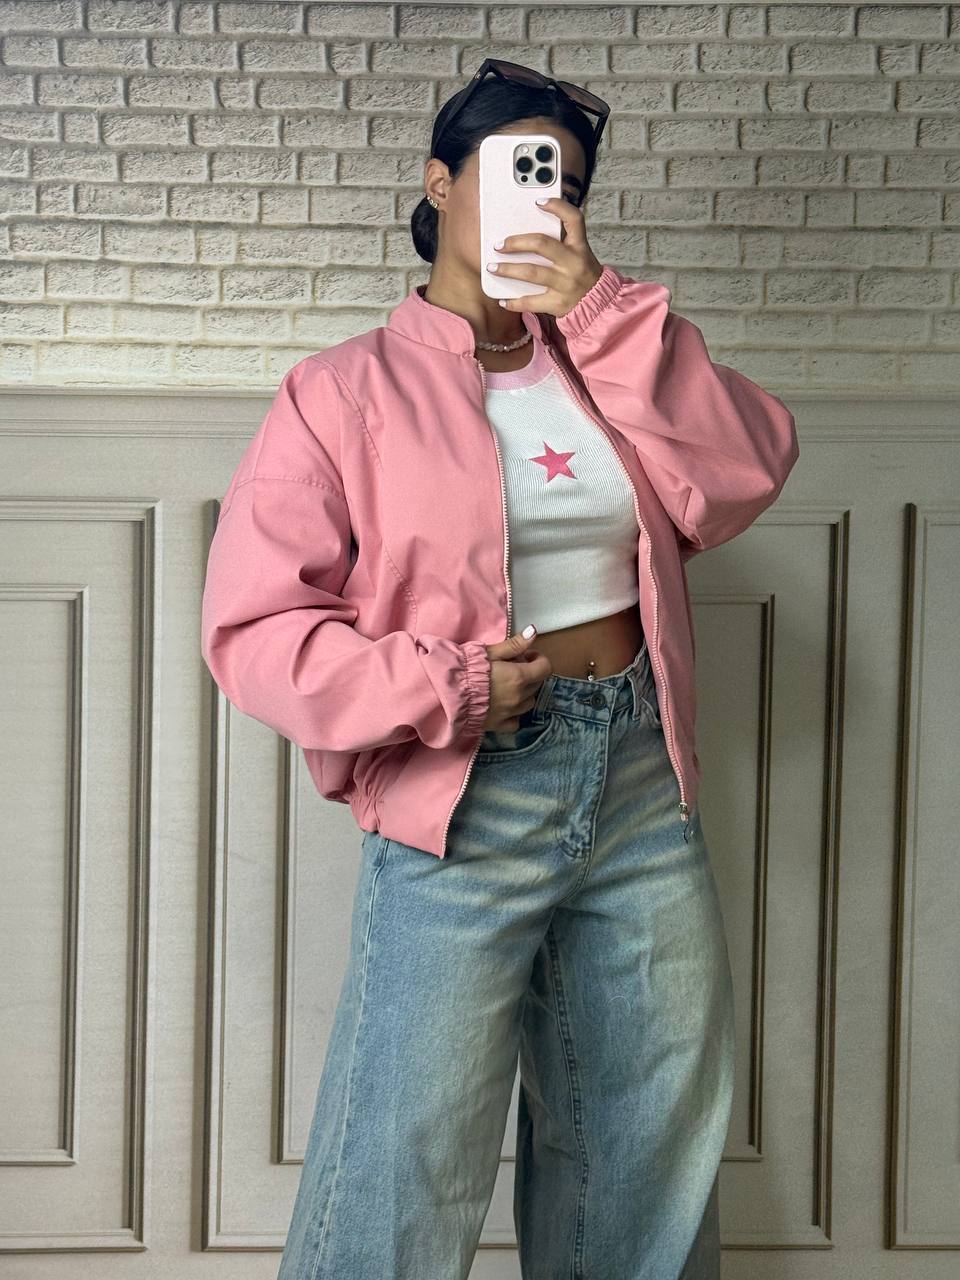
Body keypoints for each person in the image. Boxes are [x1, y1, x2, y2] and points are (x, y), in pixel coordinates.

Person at [201, 60, 799, 1280]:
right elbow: (254, 631)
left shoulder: (610, 360)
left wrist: (609, 313)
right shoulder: (341, 391)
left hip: (640, 779)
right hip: (466, 789)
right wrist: (452, 685)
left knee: (649, 1147)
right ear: (439, 183)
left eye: (565, 184)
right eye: (519, 171)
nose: (546, 200)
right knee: (406, 1154)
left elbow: (743, 472)